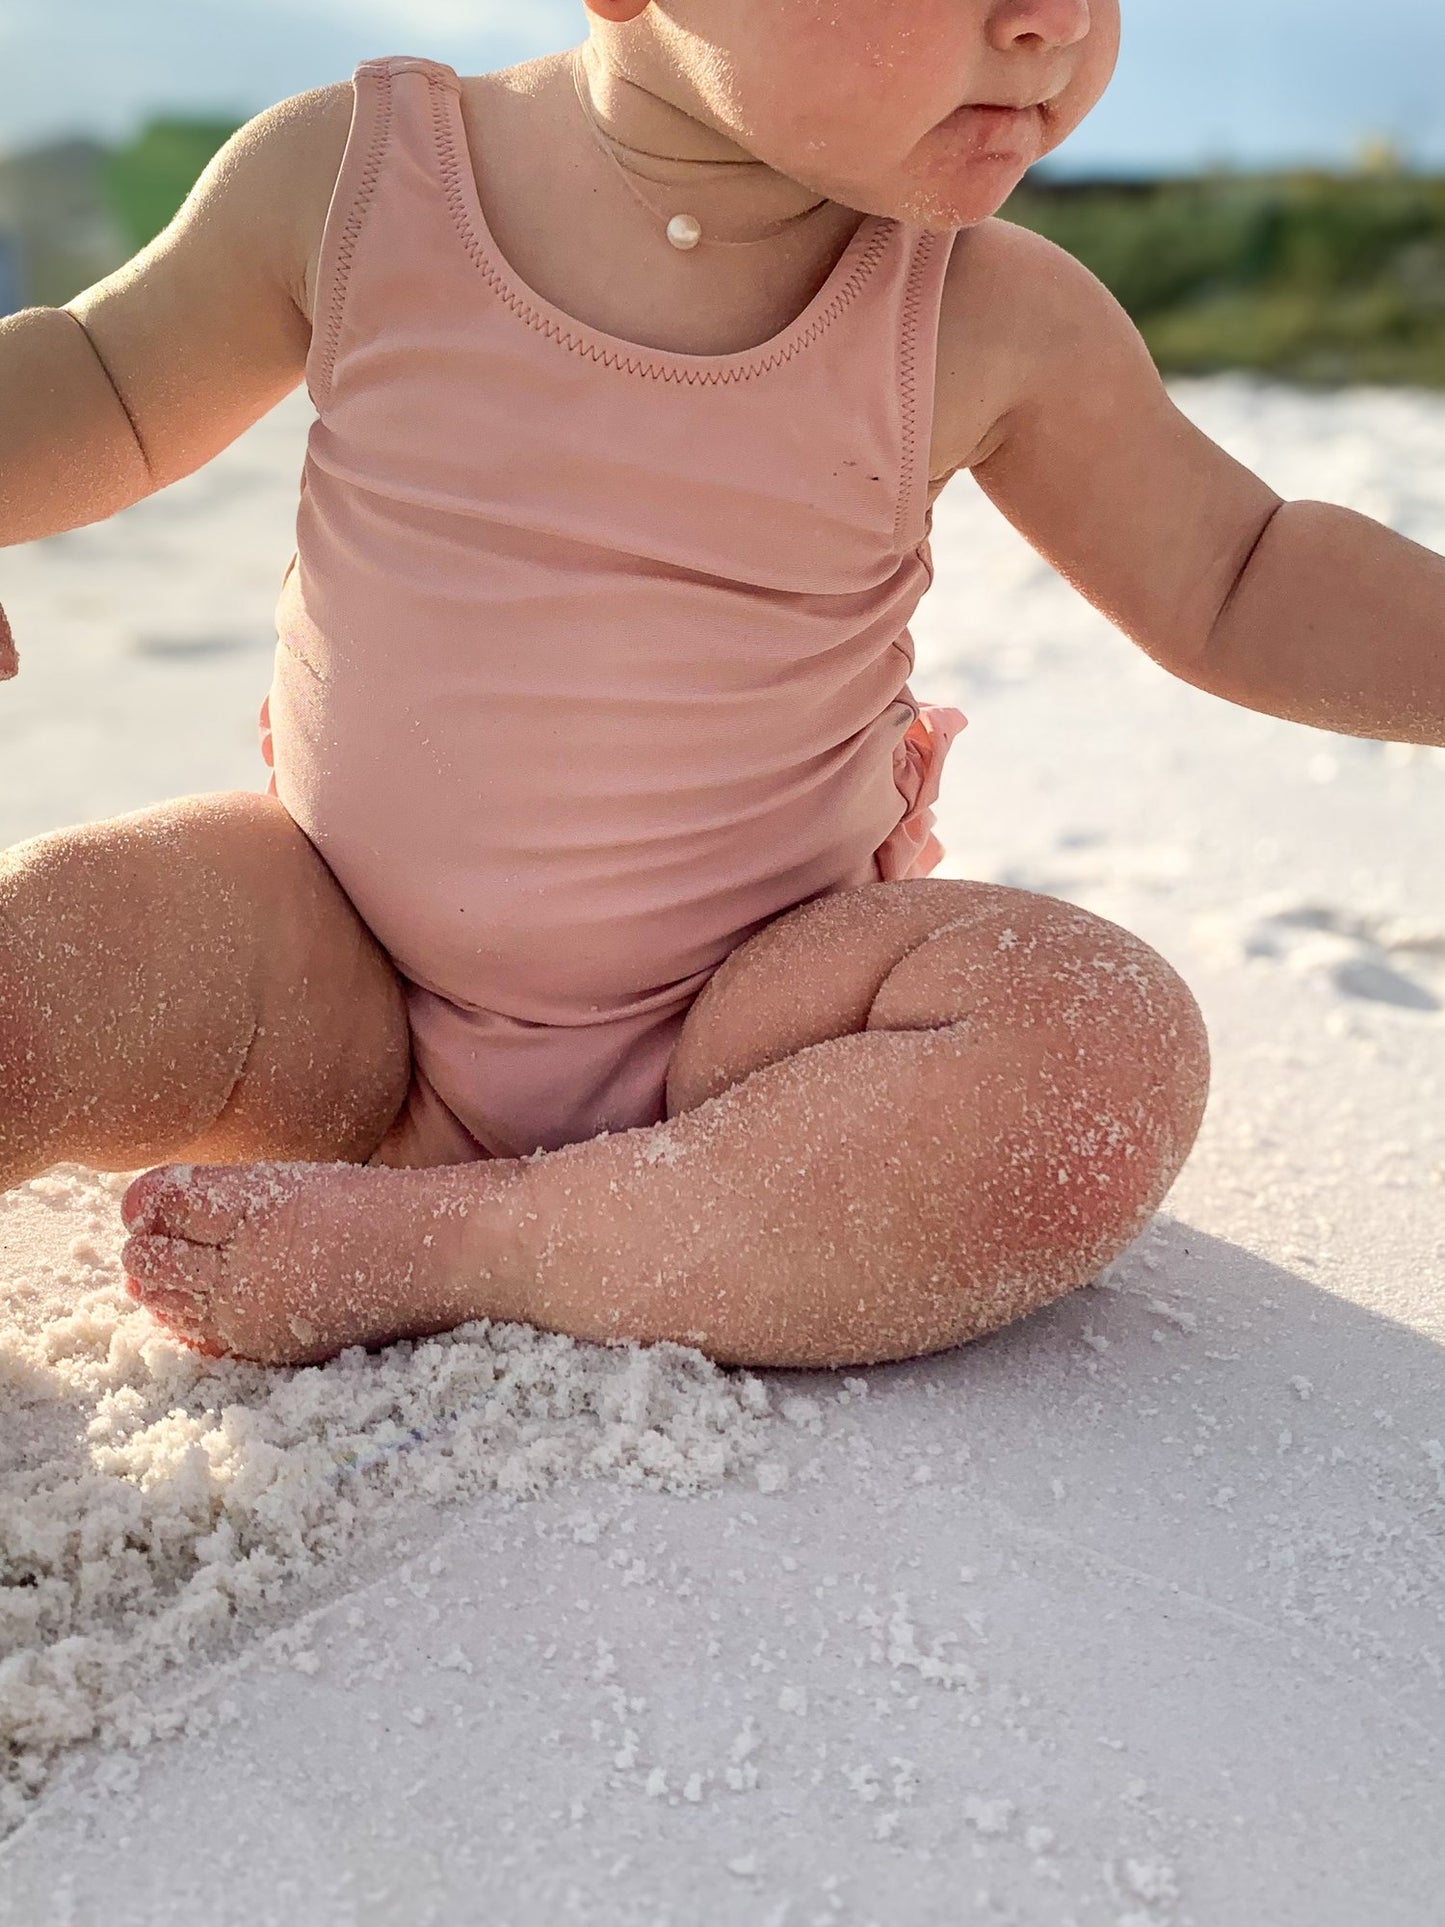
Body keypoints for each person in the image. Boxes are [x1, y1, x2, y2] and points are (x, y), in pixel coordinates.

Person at [0, 2, 1439, 1371]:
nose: (1049, 21)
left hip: (754, 1038)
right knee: (44, 948)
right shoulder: (355, 182)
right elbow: (100, 381)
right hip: (325, 970)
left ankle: (477, 1247)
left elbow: (1238, 578)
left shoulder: (988, 314)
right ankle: (567, 1225)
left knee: (1093, 1046)